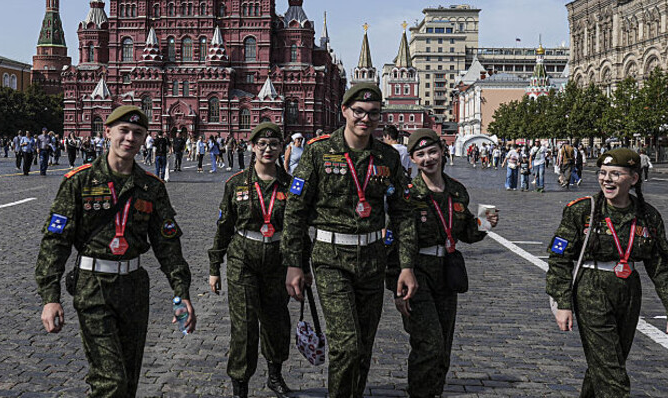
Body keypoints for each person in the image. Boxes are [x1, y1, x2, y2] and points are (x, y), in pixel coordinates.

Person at [35, 105, 194, 398]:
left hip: (134, 288)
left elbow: (167, 246)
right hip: (93, 286)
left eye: (137, 133)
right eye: (123, 130)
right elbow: (55, 242)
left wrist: (181, 293)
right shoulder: (79, 182)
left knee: (129, 381)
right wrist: (50, 298)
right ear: (107, 132)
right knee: (111, 381)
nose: (130, 138)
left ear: (145, 138)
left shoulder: (151, 187)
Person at [282, 83, 417, 398]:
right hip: (331, 258)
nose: (365, 119)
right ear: (344, 111)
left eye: (373, 113)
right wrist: (294, 263)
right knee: (346, 346)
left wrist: (406, 266)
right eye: (358, 111)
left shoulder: (387, 156)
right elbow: (295, 212)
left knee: (363, 347)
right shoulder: (318, 151)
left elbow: (403, 213)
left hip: (373, 259)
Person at [546, 148, 668, 397]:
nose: (606, 179)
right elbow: (559, 259)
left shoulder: (647, 215)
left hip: (628, 291)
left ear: (633, 178)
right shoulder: (582, 211)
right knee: (613, 377)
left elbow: (661, 265)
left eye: (615, 174)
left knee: (606, 364)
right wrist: (563, 302)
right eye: (602, 173)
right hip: (592, 289)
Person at [390, 129, 499, 398]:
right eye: (421, 154)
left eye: (432, 152)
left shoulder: (456, 191)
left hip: (447, 273)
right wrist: (397, 285)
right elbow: (394, 243)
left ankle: (434, 390)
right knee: (429, 343)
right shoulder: (407, 195)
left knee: (444, 346)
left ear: (442, 151)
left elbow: (466, 233)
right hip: (416, 273)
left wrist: (485, 223)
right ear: (413, 160)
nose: (428, 159)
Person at [209, 122, 304, 398]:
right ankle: (240, 386)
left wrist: (302, 268)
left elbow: (299, 230)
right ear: (252, 147)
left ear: (281, 148)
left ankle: (275, 376)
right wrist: (215, 267)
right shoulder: (236, 183)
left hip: (278, 261)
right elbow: (224, 227)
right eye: (261, 144)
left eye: (274, 144)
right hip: (243, 260)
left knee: (276, 322)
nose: (268, 149)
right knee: (245, 327)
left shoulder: (290, 186)